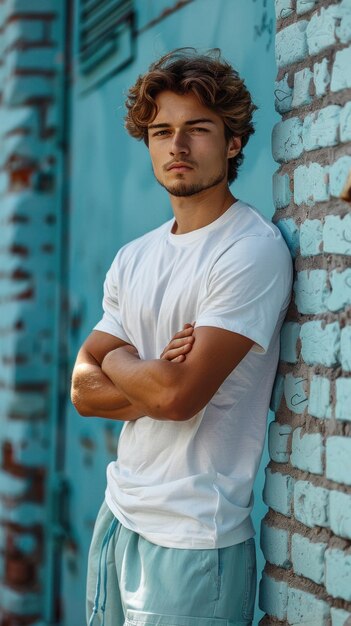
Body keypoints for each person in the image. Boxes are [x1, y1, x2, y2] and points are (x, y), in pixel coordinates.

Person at [71, 48, 293, 626]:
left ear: (233, 142)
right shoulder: (134, 256)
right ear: (147, 144)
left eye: (199, 129)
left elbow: (177, 397)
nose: (178, 146)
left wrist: (118, 361)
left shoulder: (250, 249)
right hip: (119, 516)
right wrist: (145, 366)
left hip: (196, 539)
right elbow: (81, 391)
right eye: (162, 131)